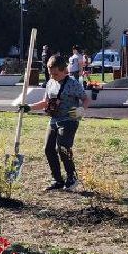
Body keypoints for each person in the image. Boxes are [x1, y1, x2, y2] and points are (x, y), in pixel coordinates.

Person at [41, 52, 86, 190]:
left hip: (69, 119)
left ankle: (71, 178)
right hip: (54, 120)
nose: (52, 76)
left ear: (63, 70)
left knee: (62, 147)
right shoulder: (50, 83)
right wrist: (27, 107)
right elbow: (45, 102)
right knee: (48, 149)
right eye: (50, 73)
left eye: (55, 74)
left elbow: (86, 98)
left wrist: (81, 111)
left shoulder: (73, 84)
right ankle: (57, 180)